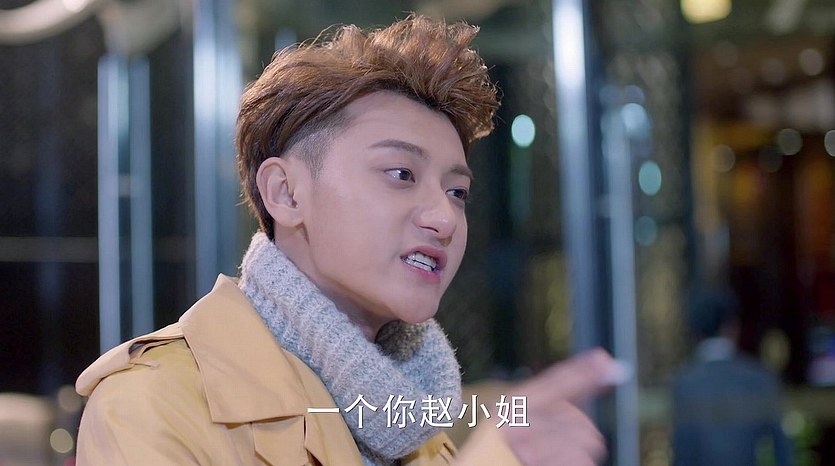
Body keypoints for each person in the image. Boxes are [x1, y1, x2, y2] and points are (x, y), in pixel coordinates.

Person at [75, 15, 626, 465]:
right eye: (401, 174)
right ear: (285, 193)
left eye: (457, 192)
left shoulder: (420, 424)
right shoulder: (153, 402)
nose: (445, 218)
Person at [672, 287, 793, 466]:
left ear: (695, 331)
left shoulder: (683, 383)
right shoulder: (759, 378)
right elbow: (781, 449)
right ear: (733, 326)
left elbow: (682, 452)